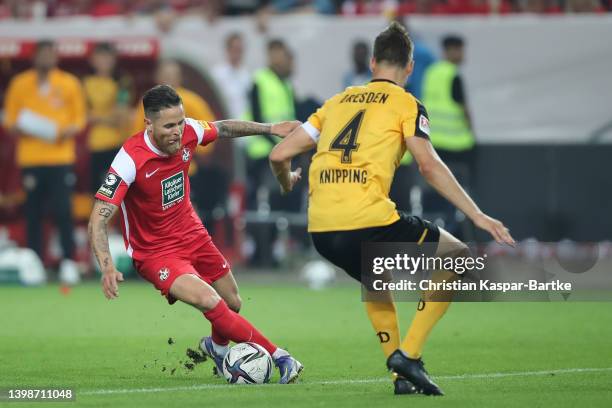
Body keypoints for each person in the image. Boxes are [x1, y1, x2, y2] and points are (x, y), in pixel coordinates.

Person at [269, 22, 514, 395]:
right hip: (365, 218)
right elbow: (429, 166)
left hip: (320, 230)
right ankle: (409, 357)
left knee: (376, 282)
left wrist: (287, 182)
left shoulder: (336, 102)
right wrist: (477, 215)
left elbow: (280, 153)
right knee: (457, 257)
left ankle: (402, 379)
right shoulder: (406, 103)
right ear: (410, 67)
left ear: (372, 63)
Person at [88, 85, 303, 383]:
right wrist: (107, 265)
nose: (178, 131)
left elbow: (223, 128)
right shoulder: (129, 159)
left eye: (180, 122)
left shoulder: (188, 130)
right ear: (148, 124)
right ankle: (280, 357)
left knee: (232, 302)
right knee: (208, 299)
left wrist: (271, 128)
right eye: (168, 126)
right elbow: (98, 218)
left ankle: (216, 348)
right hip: (156, 253)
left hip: (192, 232)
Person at [3, 40, 86, 284]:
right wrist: (17, 126)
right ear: (34, 57)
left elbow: (79, 118)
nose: (46, 58)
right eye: (42, 54)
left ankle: (69, 262)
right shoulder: (20, 83)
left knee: (63, 210)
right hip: (31, 157)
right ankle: (36, 263)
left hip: (60, 157)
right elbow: (10, 118)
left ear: (56, 57)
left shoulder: (68, 83)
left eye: (51, 54)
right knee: (33, 212)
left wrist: (69, 129)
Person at [422, 35, 476, 237]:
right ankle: (456, 234)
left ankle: (437, 232)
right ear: (451, 51)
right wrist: (471, 130)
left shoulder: (431, 73)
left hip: (434, 143)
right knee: (458, 194)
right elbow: (462, 108)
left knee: (438, 192)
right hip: (457, 145)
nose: (461, 55)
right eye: (459, 50)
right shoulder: (453, 74)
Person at [84, 42, 130, 192]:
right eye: (100, 57)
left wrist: (96, 117)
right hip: (93, 146)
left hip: (117, 146)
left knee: (118, 193)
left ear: (114, 60)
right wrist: (109, 116)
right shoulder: (85, 84)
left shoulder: (123, 83)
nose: (104, 61)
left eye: (108, 57)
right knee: (97, 194)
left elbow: (121, 117)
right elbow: (83, 116)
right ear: (92, 60)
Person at [211, 32, 251, 119]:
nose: (237, 53)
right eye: (234, 49)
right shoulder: (217, 74)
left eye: (240, 49)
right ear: (228, 50)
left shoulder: (246, 74)